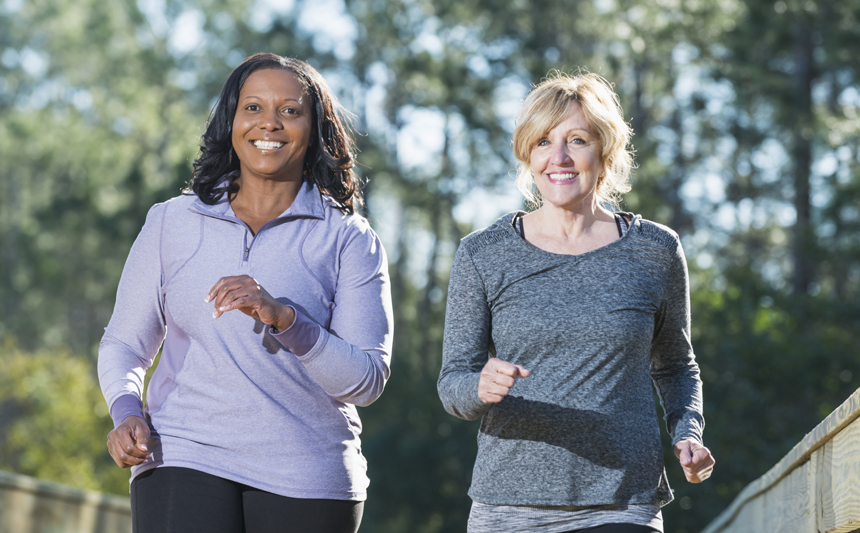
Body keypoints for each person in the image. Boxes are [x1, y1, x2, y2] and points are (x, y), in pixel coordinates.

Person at [98, 53, 393, 533]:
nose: (270, 123)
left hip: (308, 474)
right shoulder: (173, 221)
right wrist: (127, 411)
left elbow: (365, 381)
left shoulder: (348, 238)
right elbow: (125, 344)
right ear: (231, 121)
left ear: (314, 128)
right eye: (253, 108)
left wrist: (287, 319)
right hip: (182, 450)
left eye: (291, 111)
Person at [437, 71, 715, 533]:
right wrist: (479, 388)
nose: (559, 157)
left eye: (577, 140)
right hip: (508, 507)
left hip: (624, 502)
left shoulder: (655, 250)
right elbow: (453, 384)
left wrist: (687, 433)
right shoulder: (482, 253)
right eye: (544, 141)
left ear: (604, 151)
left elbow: (675, 367)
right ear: (528, 152)